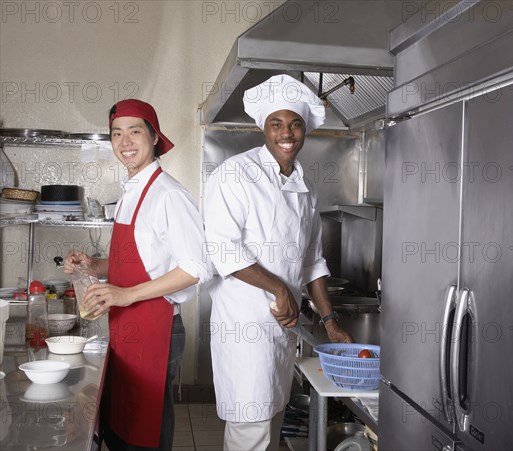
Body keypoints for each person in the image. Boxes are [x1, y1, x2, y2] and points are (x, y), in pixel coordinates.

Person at [204, 74, 353, 451]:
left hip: (281, 328)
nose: (287, 133)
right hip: (244, 326)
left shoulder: (305, 186)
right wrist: (278, 288)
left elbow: (312, 261)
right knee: (249, 430)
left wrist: (330, 321)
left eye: (295, 124)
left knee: (271, 423)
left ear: (304, 131)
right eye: (277, 124)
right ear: (263, 129)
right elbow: (223, 249)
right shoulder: (235, 174)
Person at [64, 99, 212, 450]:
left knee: (146, 432)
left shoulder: (169, 195)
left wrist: (126, 295)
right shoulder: (131, 191)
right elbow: (136, 260)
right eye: (117, 133)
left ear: (154, 137)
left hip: (156, 328)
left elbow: (196, 268)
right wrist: (92, 265)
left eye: (135, 131)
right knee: (122, 427)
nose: (125, 141)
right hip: (127, 326)